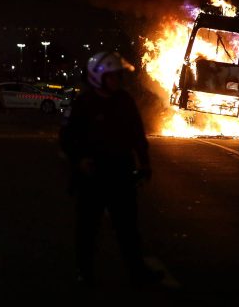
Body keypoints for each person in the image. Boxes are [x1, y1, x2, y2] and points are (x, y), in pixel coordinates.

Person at [60, 51, 162, 287]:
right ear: (98, 77)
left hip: (120, 173)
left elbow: (137, 134)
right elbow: (67, 138)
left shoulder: (124, 101)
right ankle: (84, 273)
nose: (117, 80)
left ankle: (137, 272)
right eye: (113, 76)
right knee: (87, 229)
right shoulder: (83, 104)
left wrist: (144, 163)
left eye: (119, 76)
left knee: (128, 228)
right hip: (92, 176)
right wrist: (79, 160)